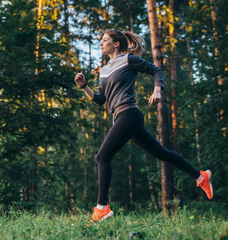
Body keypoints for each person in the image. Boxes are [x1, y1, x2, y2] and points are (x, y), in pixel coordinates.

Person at [74, 29, 213, 223]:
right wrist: (84, 86)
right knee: (162, 153)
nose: (100, 43)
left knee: (102, 156)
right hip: (122, 118)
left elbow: (156, 70)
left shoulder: (129, 59)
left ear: (116, 43)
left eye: (104, 40)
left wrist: (157, 91)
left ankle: (101, 208)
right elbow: (100, 100)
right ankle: (200, 177)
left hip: (129, 114)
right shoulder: (103, 70)